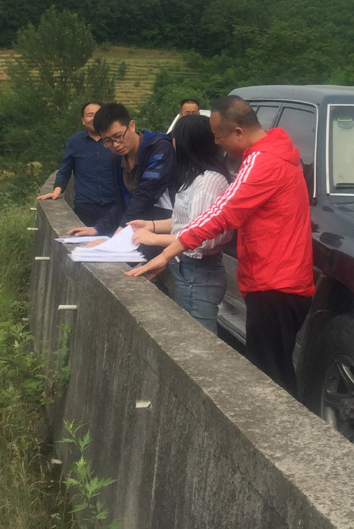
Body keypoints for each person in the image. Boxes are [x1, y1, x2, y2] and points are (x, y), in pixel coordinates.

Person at [126, 95, 314, 395]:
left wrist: (165, 254)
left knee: (269, 380)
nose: (217, 143)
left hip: (274, 283)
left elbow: (222, 214)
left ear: (238, 132)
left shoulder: (264, 160)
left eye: (219, 136)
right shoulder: (275, 154)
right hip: (281, 281)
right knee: (274, 369)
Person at [127, 113, 232, 333]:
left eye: (174, 140)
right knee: (189, 330)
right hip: (189, 269)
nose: (171, 146)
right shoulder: (195, 177)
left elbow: (201, 238)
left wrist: (155, 239)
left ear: (186, 144)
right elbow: (185, 223)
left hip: (199, 271)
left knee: (198, 337)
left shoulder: (208, 182)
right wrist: (150, 226)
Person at [65, 103, 175, 244]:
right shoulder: (118, 157)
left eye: (118, 136)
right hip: (138, 226)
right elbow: (123, 202)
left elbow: (145, 195)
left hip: (165, 226)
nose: (115, 144)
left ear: (131, 126)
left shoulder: (159, 148)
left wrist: (118, 235)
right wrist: (98, 228)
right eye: (108, 141)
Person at [37, 101, 117, 226]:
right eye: (89, 115)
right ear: (83, 120)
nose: (94, 118)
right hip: (85, 207)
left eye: (98, 114)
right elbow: (65, 170)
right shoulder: (74, 142)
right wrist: (57, 191)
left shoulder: (116, 141)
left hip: (115, 206)